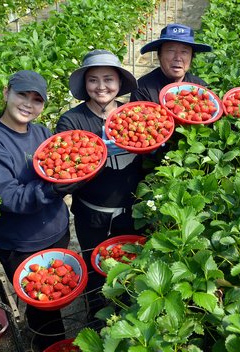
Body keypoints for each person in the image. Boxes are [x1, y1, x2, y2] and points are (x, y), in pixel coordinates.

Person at [0, 70, 74, 350]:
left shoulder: (41, 132)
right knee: (43, 306)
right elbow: (8, 196)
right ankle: (49, 344)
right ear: (6, 93)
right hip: (21, 242)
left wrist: (74, 177)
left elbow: (59, 169)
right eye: (22, 95)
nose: (28, 104)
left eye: (37, 99)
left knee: (53, 298)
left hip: (55, 232)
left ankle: (51, 338)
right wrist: (52, 190)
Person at [55, 49, 140, 325]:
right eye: (93, 80)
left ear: (119, 83)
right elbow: (66, 168)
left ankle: (126, 315)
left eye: (108, 79)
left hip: (130, 210)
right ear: (84, 85)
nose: (101, 87)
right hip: (91, 212)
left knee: (128, 265)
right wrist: (94, 155)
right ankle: (96, 316)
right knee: (93, 265)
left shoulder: (134, 115)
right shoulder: (72, 121)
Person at [130, 23, 212, 103]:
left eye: (184, 52)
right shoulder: (143, 89)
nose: (178, 58)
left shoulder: (201, 88)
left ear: (191, 57)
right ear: (159, 55)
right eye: (171, 51)